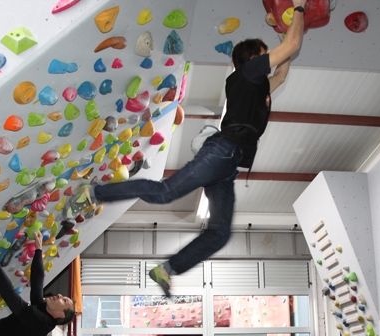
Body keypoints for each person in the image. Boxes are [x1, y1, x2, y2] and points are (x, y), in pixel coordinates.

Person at [65, 1, 307, 297]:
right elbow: (291, 47)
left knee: (219, 233)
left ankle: (166, 269)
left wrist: (287, 36)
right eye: (266, 53)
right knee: (166, 192)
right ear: (254, 58)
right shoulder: (246, 74)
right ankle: (93, 193)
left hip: (227, 164)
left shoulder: (257, 86)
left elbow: (282, 70)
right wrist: (299, 9)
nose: (270, 58)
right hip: (223, 150)